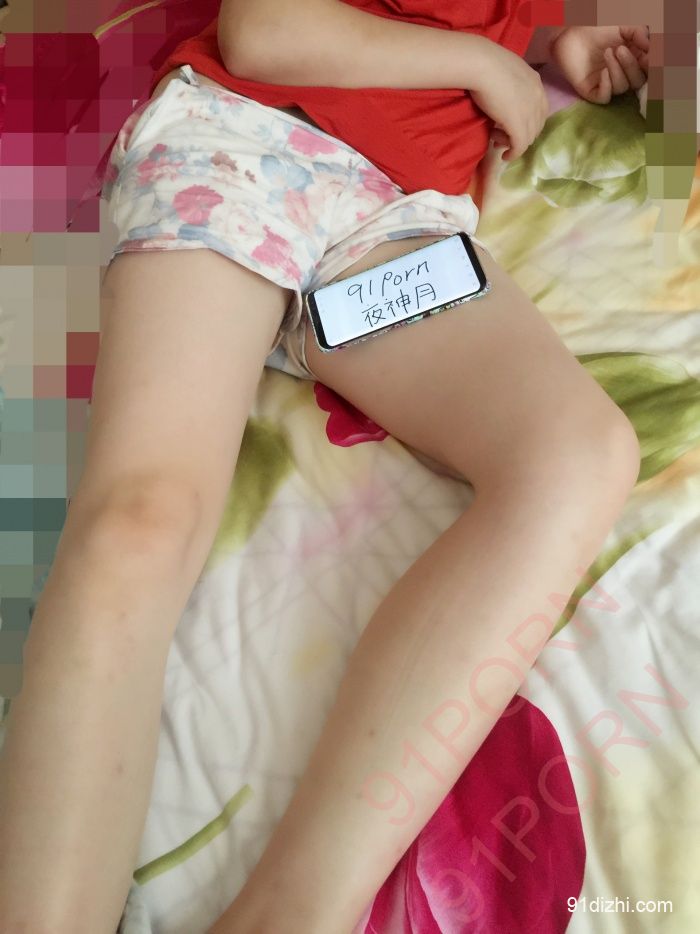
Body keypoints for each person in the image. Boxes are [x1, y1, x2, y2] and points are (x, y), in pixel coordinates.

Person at [0, 2, 648, 931]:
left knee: (579, 456)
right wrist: (481, 65)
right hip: (244, 135)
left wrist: (551, 43)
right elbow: (265, 30)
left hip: (395, 223)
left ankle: (290, 914)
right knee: (140, 521)